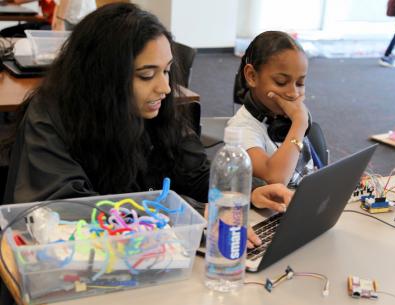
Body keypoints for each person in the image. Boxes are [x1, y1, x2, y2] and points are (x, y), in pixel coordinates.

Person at [2, 3, 291, 247]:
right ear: (103, 78)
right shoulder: (51, 117)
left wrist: (247, 192)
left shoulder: (156, 110)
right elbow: (68, 210)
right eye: (146, 75)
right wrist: (188, 214)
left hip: (149, 256)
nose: (165, 87)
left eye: (166, 71)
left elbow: (195, 174)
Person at [227, 31, 323, 189]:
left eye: (300, 83)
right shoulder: (242, 130)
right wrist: (299, 123)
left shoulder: (287, 118)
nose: (293, 93)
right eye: (281, 82)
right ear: (251, 76)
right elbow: (276, 180)